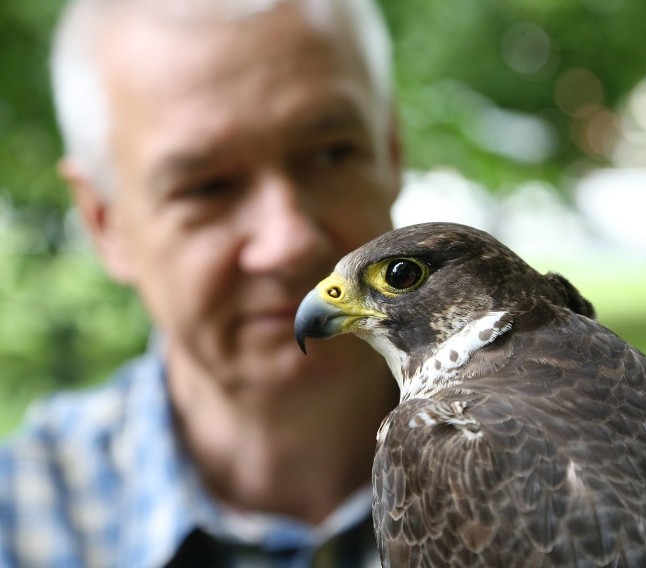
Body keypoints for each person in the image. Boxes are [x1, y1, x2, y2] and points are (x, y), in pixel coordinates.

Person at [0, 0, 402, 565]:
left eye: (332, 154)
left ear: (391, 152)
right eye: (207, 187)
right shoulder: (19, 524)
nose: (287, 241)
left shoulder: (562, 464)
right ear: (104, 221)